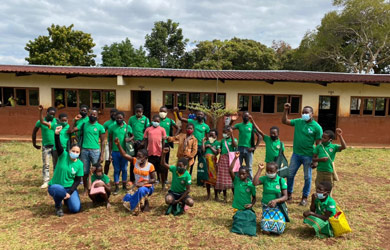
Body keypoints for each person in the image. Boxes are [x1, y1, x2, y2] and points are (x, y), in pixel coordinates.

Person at [282, 103, 323, 206]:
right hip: (296, 154)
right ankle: (289, 194)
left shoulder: (317, 127)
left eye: (306, 112)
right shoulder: (298, 122)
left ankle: (304, 197)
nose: (304, 114)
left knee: (307, 177)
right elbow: (284, 121)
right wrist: (285, 110)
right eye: (303, 112)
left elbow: (318, 144)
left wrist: (315, 159)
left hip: (308, 156)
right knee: (290, 174)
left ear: (312, 114)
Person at [47, 126, 83, 217]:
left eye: (77, 152)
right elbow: (58, 146)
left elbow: (77, 180)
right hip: (56, 186)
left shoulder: (80, 164)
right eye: (73, 151)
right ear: (69, 150)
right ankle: (58, 206)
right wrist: (57, 134)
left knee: (75, 209)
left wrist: (70, 192)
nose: (74, 153)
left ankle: (66, 199)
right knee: (58, 190)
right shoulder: (63, 155)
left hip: (69, 188)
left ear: (79, 153)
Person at [115, 139, 156, 215]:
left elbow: (154, 180)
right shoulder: (135, 161)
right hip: (137, 186)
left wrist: (144, 183)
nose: (138, 158)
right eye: (137, 156)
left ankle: (134, 208)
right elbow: (124, 155)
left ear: (145, 157)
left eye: (140, 157)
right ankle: (142, 203)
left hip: (148, 187)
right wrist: (118, 145)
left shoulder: (150, 166)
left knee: (140, 191)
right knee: (126, 198)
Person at [70, 108, 105, 195]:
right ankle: (86, 189)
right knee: (85, 171)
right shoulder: (84, 124)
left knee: (97, 170)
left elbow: (103, 141)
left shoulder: (100, 127)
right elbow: (73, 131)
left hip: (95, 151)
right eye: (91, 114)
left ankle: (96, 188)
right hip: (84, 150)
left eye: (94, 115)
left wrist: (102, 154)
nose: (92, 116)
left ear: (97, 116)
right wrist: (74, 120)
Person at [253, 162, 288, 234]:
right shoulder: (265, 179)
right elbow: (254, 183)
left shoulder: (281, 180)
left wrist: (276, 201)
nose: (269, 173)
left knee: (279, 229)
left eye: (271, 171)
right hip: (266, 207)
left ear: (276, 171)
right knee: (265, 229)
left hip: (278, 207)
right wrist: (260, 170)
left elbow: (285, 196)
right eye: (267, 171)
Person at [174, 107, 210, 175]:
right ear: (196, 115)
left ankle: (200, 177)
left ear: (203, 116)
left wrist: (204, 144)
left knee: (201, 162)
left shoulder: (206, 126)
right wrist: (177, 112)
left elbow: (207, 137)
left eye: (201, 114)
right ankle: (187, 175)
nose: (199, 116)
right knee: (190, 162)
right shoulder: (192, 122)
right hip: (192, 146)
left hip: (200, 146)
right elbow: (181, 119)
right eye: (198, 114)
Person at [161, 148, 194, 214]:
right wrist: (164, 154)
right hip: (173, 192)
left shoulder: (187, 175)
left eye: (180, 166)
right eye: (177, 165)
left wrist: (179, 200)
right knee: (168, 200)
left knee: (191, 202)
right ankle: (174, 203)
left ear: (185, 166)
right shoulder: (174, 169)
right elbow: (163, 163)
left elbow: (188, 190)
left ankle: (182, 203)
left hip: (182, 194)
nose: (178, 167)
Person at [33, 106, 58, 188]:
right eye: (51, 114)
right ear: (47, 113)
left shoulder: (56, 121)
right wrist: (34, 143)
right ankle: (46, 181)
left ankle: (55, 180)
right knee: (46, 164)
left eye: (54, 114)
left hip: (55, 146)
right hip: (46, 146)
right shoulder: (40, 122)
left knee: (56, 164)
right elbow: (34, 132)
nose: (52, 116)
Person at [230, 111, 261, 178]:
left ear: (249, 117)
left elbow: (259, 136)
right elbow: (229, 128)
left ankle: (250, 182)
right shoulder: (239, 125)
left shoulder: (252, 126)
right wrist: (232, 121)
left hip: (249, 149)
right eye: (244, 116)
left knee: (249, 167)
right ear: (242, 117)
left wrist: (254, 147)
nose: (245, 117)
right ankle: (238, 181)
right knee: (238, 166)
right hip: (240, 148)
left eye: (247, 116)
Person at [108, 111, 133, 194]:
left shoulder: (127, 127)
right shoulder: (111, 127)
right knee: (116, 170)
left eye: (120, 118)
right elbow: (110, 141)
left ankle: (124, 186)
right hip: (115, 152)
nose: (119, 119)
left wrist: (129, 139)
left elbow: (132, 136)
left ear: (123, 118)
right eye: (117, 118)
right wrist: (110, 153)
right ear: (115, 118)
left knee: (124, 169)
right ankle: (117, 186)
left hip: (125, 152)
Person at [128, 104, 150, 182]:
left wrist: (143, 142)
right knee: (133, 160)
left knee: (142, 160)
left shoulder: (146, 119)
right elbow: (129, 130)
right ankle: (132, 179)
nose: (138, 113)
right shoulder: (131, 119)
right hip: (133, 142)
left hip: (142, 143)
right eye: (137, 111)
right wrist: (132, 140)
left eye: (140, 111)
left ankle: (143, 177)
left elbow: (147, 132)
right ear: (135, 112)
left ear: (142, 112)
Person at [144, 114, 166, 190]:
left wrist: (163, 150)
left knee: (161, 168)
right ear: (152, 120)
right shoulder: (148, 129)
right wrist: (145, 150)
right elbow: (145, 140)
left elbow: (163, 140)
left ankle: (163, 184)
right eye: (154, 121)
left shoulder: (162, 129)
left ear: (159, 122)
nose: (156, 122)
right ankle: (151, 184)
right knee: (151, 169)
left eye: (157, 121)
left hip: (159, 152)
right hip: (150, 152)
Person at [215, 126, 237, 202]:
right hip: (223, 160)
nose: (225, 134)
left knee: (232, 178)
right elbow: (219, 149)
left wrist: (232, 135)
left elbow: (235, 146)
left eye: (226, 132)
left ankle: (235, 196)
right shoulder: (222, 141)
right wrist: (219, 149)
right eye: (224, 132)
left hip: (231, 160)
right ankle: (225, 197)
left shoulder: (234, 140)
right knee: (223, 179)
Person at [202, 129, 221, 200]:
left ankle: (216, 196)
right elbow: (203, 151)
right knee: (207, 179)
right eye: (209, 135)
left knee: (214, 178)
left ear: (216, 136)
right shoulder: (206, 142)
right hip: (206, 162)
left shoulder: (217, 143)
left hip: (213, 163)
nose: (211, 137)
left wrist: (210, 147)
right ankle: (208, 195)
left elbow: (216, 153)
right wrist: (203, 143)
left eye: (212, 136)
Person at [103, 108, 118, 175]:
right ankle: (105, 176)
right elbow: (102, 132)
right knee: (107, 161)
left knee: (117, 162)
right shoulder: (107, 123)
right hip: (109, 144)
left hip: (118, 145)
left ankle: (116, 177)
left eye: (115, 113)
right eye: (112, 113)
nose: (113, 115)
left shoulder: (121, 122)